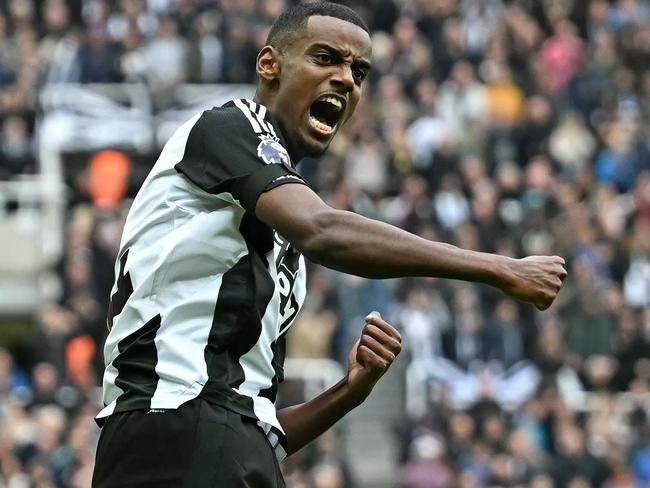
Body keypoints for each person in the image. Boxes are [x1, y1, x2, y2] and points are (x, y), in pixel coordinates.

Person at [91, 3, 567, 487]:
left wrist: (349, 391)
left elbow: (256, 425)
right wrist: (499, 269)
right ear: (269, 64)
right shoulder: (228, 127)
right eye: (326, 59)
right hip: (171, 433)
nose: (346, 79)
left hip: (221, 444)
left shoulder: (274, 230)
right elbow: (324, 231)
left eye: (359, 71)